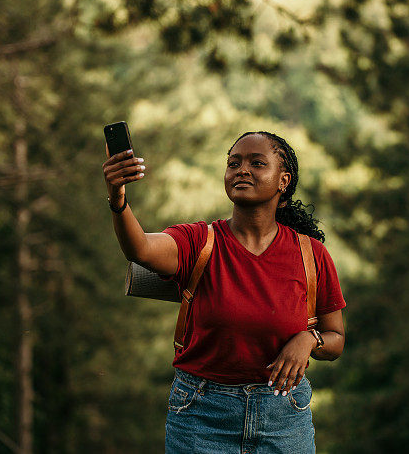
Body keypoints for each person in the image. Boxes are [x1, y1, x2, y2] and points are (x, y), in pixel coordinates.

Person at [103, 130, 346, 453]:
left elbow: (335, 339)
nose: (241, 170)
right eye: (233, 163)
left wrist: (309, 339)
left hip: (284, 419)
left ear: (283, 181)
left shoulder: (311, 255)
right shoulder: (198, 242)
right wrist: (118, 199)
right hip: (202, 416)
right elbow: (141, 250)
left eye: (257, 163)